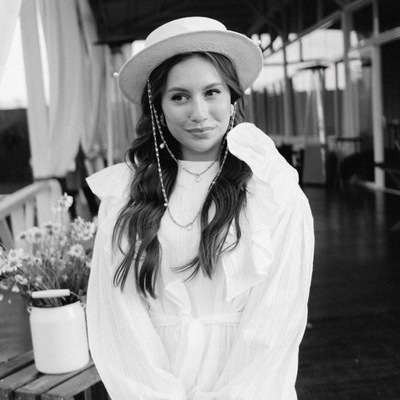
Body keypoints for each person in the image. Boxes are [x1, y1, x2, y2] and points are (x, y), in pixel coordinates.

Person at [86, 16, 314, 400]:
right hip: (155, 385)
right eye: (179, 96)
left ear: (232, 98)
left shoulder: (272, 189)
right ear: (158, 108)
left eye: (211, 92)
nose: (198, 112)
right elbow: (117, 319)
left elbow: (277, 319)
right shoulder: (124, 196)